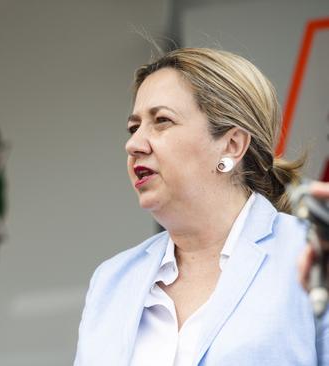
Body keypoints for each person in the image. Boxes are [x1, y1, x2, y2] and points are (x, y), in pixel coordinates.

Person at [74, 48, 328, 365]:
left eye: (162, 121)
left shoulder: (312, 250)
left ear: (232, 145)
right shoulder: (111, 280)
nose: (134, 144)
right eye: (133, 127)